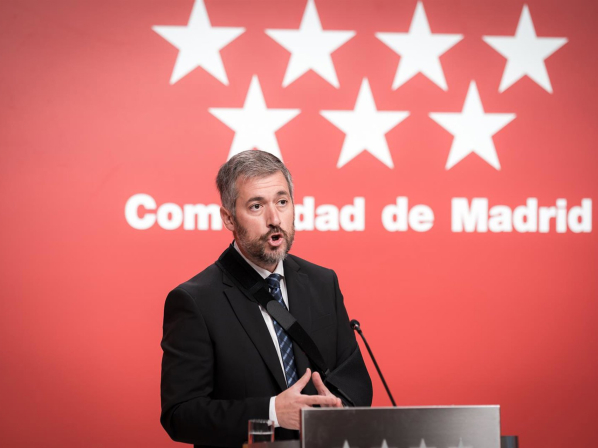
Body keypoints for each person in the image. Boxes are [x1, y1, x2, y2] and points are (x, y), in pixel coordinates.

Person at [160, 150, 372, 448]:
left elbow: (355, 380)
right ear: (229, 218)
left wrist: (340, 406)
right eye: (256, 206)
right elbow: (181, 415)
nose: (274, 219)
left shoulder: (323, 283)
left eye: (282, 202)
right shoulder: (194, 301)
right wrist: (271, 412)